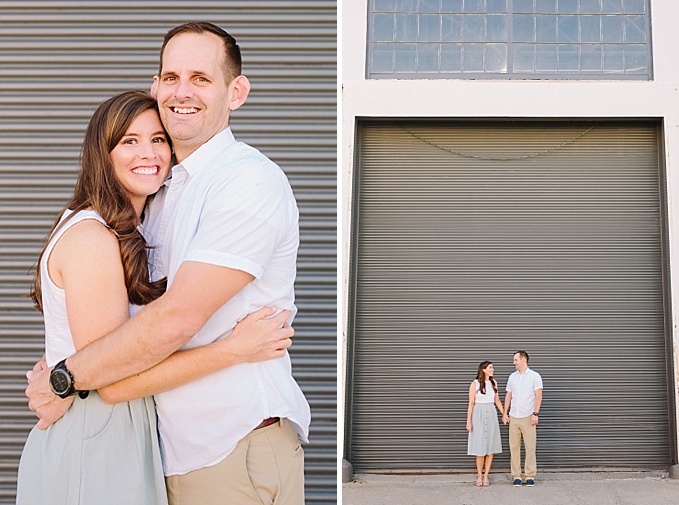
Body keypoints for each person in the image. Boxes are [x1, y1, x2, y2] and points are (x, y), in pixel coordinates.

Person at [25, 22, 310, 505]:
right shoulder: (156, 196)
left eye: (201, 78)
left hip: (228, 446)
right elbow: (106, 335)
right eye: (171, 77)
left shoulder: (246, 182)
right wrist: (60, 368)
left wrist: (66, 377)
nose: (183, 91)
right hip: (160, 451)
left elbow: (175, 318)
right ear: (156, 87)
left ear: (235, 92)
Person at [502, 350, 543, 487]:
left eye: (515, 360)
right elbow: (508, 395)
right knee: (514, 448)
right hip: (514, 416)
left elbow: (538, 396)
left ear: (523, 360)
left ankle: (530, 475)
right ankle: (516, 476)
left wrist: (535, 414)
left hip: (528, 417)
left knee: (530, 447)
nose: (514, 362)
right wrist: (505, 413)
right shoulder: (512, 377)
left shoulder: (534, 376)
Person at [466, 361, 504, 487]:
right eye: (490, 367)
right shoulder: (474, 384)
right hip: (478, 414)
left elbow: (497, 400)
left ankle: (486, 475)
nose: (493, 369)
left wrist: (504, 414)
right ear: (483, 369)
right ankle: (479, 475)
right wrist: (468, 421)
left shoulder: (494, 383)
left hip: (491, 413)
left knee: (490, 447)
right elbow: (471, 403)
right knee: (479, 448)